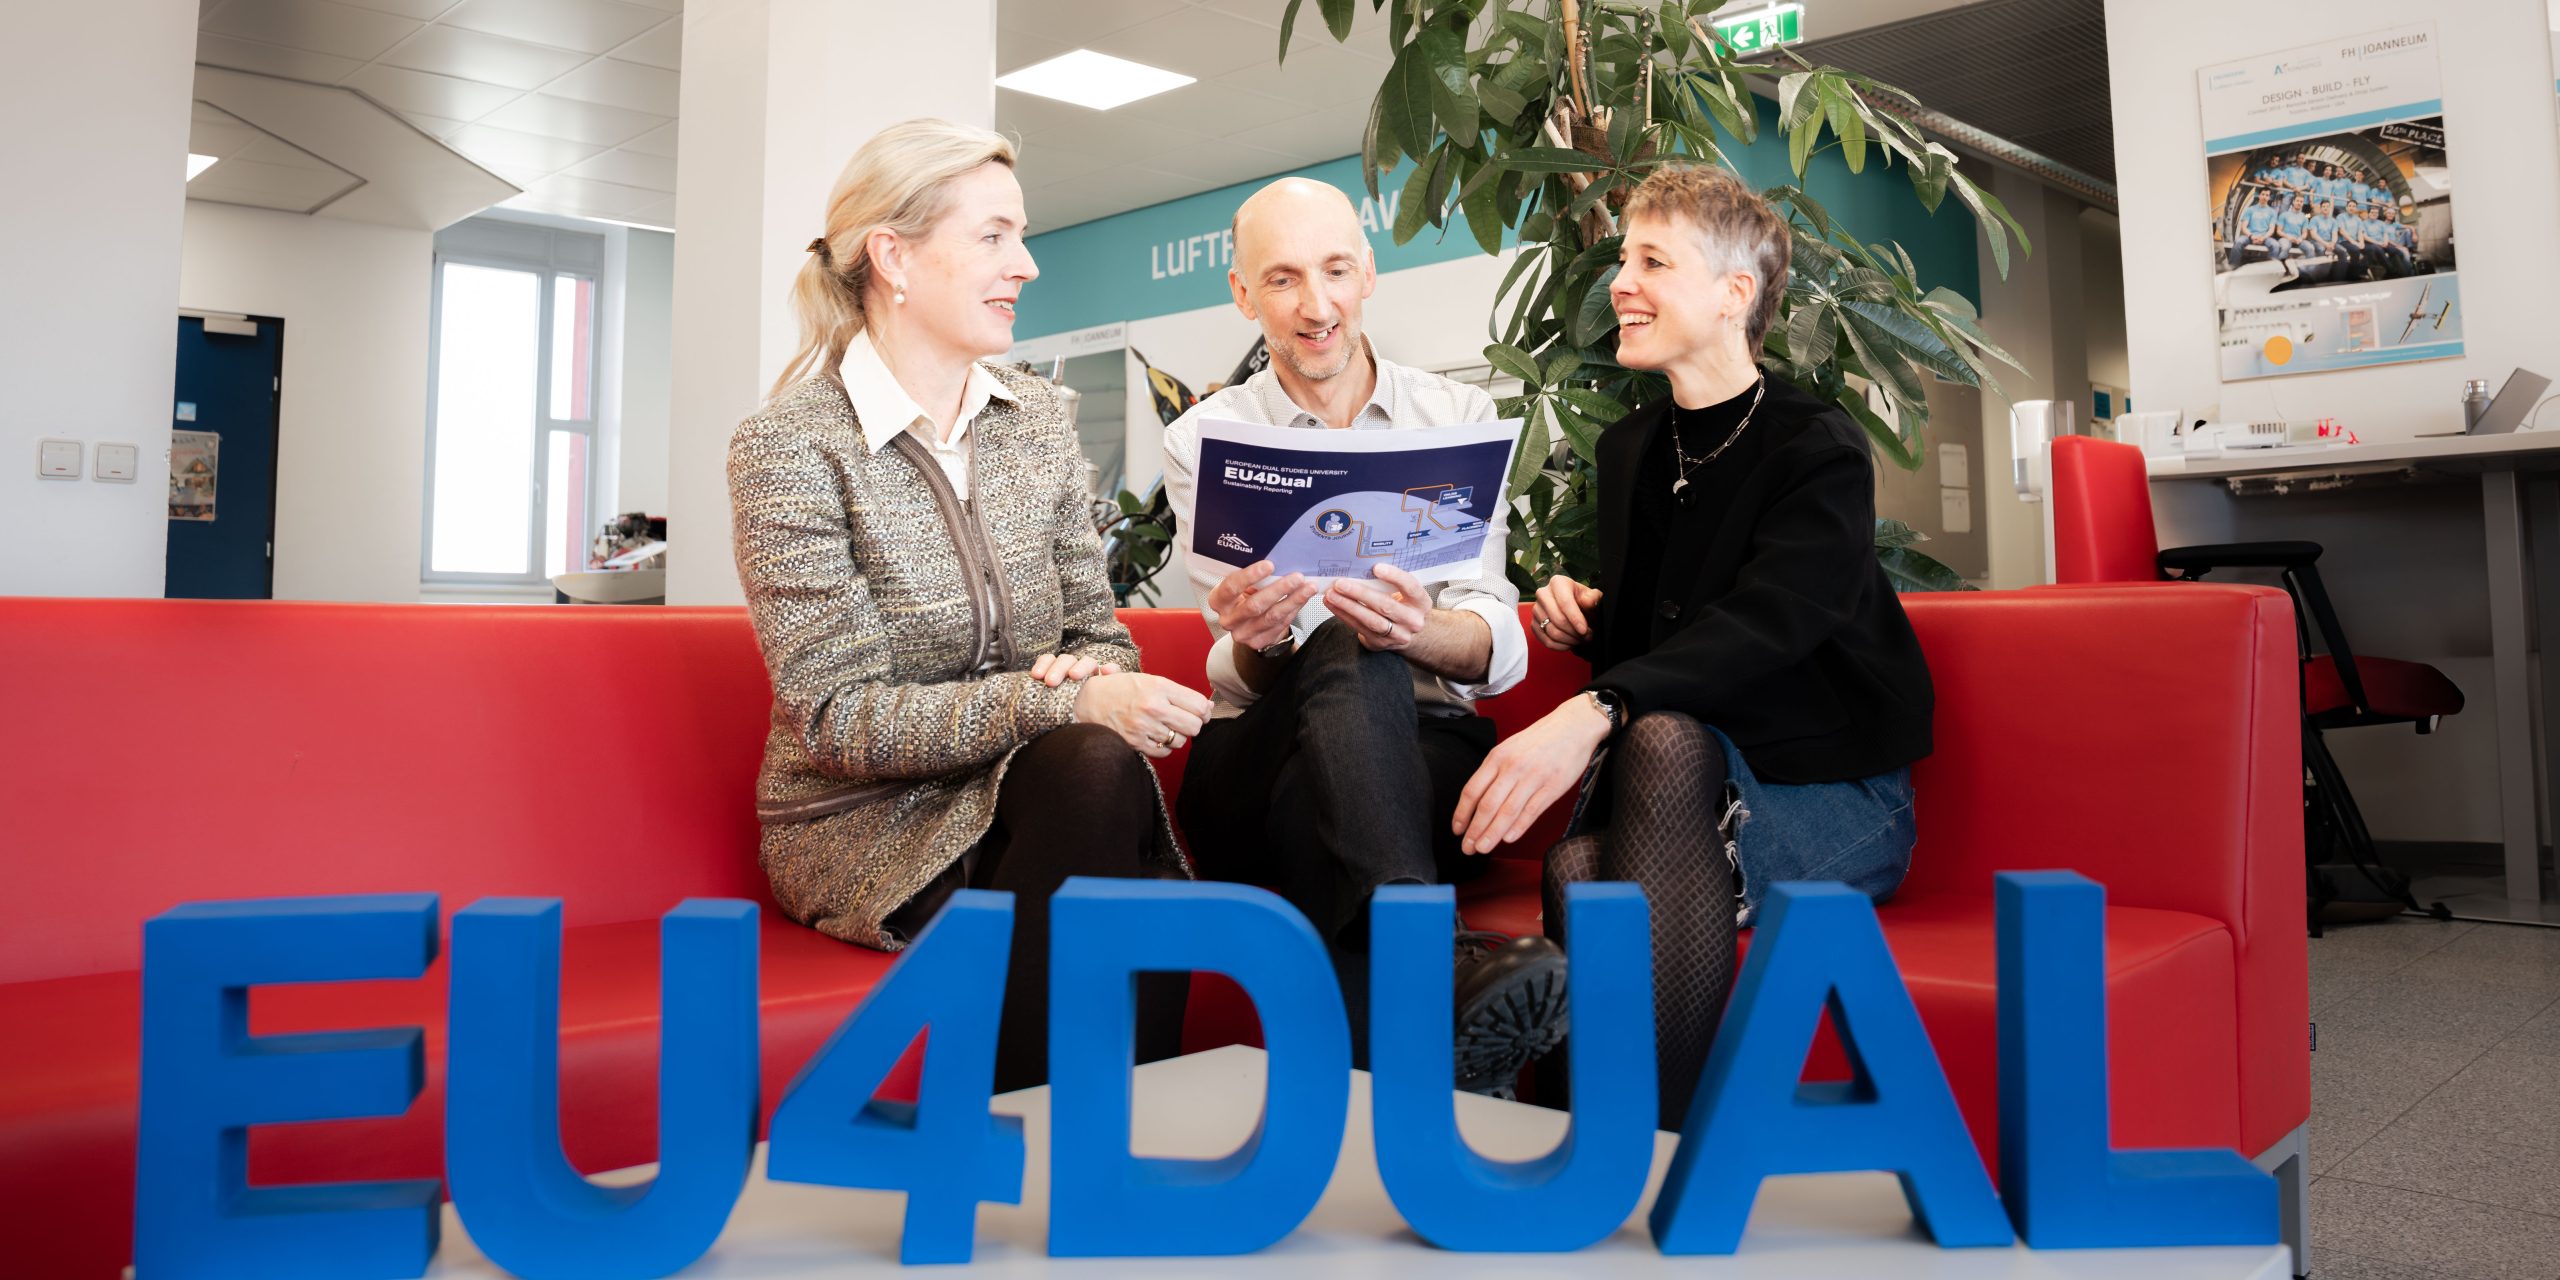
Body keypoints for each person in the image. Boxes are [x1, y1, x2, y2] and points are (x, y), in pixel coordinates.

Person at [728, 118, 1211, 1092]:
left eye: (1020, 235)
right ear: (893, 255)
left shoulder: (1036, 419)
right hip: (866, 820)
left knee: (1092, 778)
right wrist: (1057, 702)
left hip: (1041, 787)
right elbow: (836, 719)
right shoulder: (788, 447)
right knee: (1105, 812)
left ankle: (1055, 1163)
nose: (1025, 264)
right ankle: (1090, 1157)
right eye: (993, 236)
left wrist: (1091, 682)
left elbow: (1097, 637)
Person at [1453, 163, 1934, 1131]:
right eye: (1623, 258)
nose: (1619, 283)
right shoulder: (1632, 447)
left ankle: (1633, 1147)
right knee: (1580, 865)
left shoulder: (1816, 444)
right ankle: (1607, 1149)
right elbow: (1665, 645)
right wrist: (1586, 617)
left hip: (1827, 796)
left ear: (1734, 293)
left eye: (1651, 261)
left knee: (1654, 746)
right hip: (1679, 790)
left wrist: (1590, 706)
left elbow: (1774, 619)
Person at [1160, 177, 1562, 1096]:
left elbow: (1496, 641)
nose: (1317, 306)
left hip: (1426, 766)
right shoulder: (1206, 440)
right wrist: (1260, 643)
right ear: (1242, 295)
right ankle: (1438, 969)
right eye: (1285, 279)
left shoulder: (1455, 421)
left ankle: (1412, 1035)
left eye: (1337, 271)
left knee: (1330, 789)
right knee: (1335, 647)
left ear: (1370, 273)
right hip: (1249, 767)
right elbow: (1241, 666)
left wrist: (1424, 632)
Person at [2233, 188, 2280, 267]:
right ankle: (2233, 266)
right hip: (2250, 235)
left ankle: (2271, 269)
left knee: (2275, 245)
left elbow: (2271, 230)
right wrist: (2251, 236)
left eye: (2267, 195)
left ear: (2269, 198)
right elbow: (2243, 227)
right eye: (2263, 194)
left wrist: (2263, 238)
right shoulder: (2250, 209)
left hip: (2265, 237)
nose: (2264, 197)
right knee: (2238, 242)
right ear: (2259, 195)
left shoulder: (2272, 212)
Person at [2273, 193, 2313, 262]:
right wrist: (2288, 237)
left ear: (2303, 203)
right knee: (2285, 247)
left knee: (2310, 248)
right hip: (2285, 238)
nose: (2299, 203)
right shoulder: (2284, 214)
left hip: (2298, 239)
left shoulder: (2304, 217)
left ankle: (2305, 270)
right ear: (2293, 202)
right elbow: (2278, 231)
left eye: (2301, 202)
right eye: (2297, 201)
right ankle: (2280, 266)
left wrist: (2300, 238)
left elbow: (2304, 233)